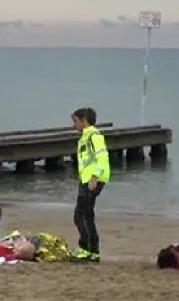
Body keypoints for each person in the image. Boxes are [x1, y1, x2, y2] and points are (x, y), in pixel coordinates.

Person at [71, 107, 109, 262]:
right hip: (86, 179)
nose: (74, 125)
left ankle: (87, 249)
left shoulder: (94, 136)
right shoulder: (85, 137)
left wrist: (95, 177)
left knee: (81, 215)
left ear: (84, 120)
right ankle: (91, 251)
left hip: (93, 180)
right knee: (85, 215)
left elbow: (102, 157)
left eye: (76, 121)